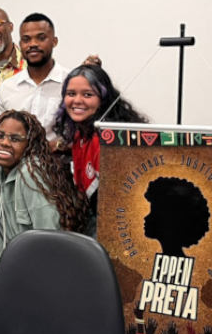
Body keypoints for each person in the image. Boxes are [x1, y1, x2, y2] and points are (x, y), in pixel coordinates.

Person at [0, 110, 88, 282]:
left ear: (30, 144)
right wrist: (0, 286)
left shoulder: (32, 173)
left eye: (15, 139)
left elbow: (49, 243)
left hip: (48, 273)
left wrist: (35, 290)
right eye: (0, 136)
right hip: (14, 269)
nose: (4, 143)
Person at [53, 64, 147, 233]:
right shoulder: (81, 132)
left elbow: (117, 207)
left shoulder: (107, 141)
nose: (77, 100)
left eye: (88, 95)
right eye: (71, 94)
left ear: (103, 100)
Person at [0, 13, 68, 151]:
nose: (33, 44)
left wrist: (58, 146)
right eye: (26, 39)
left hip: (58, 168)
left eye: (41, 38)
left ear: (54, 41)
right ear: (20, 44)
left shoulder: (70, 84)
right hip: (14, 168)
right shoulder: (7, 87)